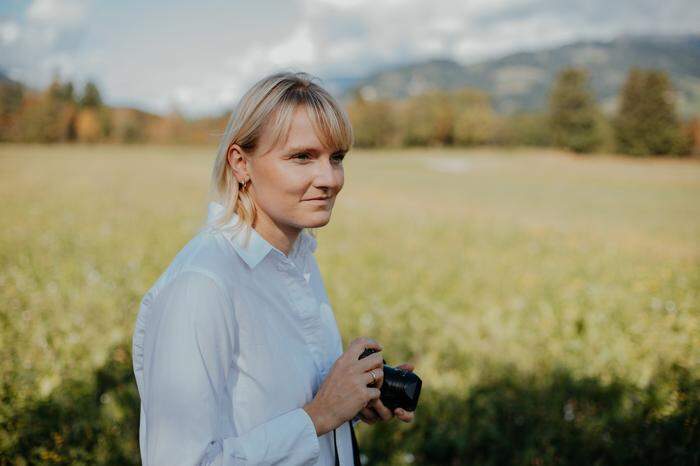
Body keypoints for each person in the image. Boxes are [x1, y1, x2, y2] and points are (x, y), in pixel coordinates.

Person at [131, 70, 415, 466]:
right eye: (302, 157)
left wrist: (350, 403)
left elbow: (282, 412)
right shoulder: (202, 286)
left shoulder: (297, 260)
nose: (329, 178)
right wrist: (319, 416)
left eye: (336, 158)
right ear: (240, 163)